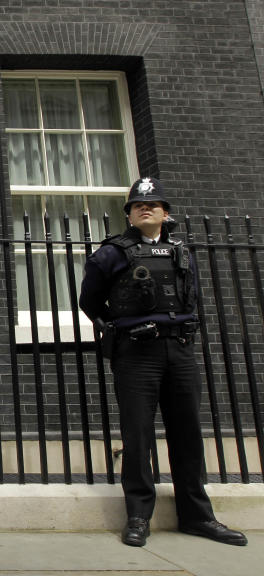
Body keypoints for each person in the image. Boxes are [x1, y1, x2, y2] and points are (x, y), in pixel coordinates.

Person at [79, 177, 247, 547]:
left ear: (165, 212)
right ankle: (139, 516)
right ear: (129, 214)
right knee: (138, 437)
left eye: (153, 204)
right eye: (137, 205)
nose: (145, 208)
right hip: (137, 354)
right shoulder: (111, 253)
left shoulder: (181, 253)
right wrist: (122, 328)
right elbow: (90, 301)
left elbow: (192, 297)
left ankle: (198, 516)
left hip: (180, 350)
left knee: (187, 434)